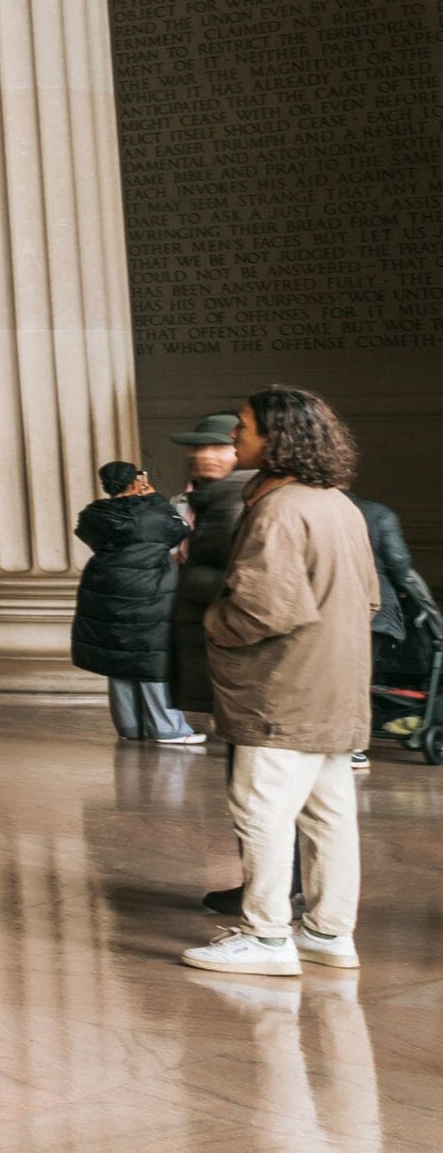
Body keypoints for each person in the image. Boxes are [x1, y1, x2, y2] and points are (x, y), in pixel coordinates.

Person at [182, 388, 377, 978]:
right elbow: (370, 597)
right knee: (328, 816)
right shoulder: (338, 503)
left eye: (244, 427)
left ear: (278, 437)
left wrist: (212, 624)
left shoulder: (278, 508)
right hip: (334, 683)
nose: (235, 437)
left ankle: (266, 937)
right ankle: (328, 932)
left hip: (281, 688)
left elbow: (264, 608)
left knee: (262, 811)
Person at [71, 462, 198, 745]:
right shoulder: (152, 513)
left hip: (107, 584)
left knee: (120, 656)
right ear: (135, 482)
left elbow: (86, 535)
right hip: (150, 588)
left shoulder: (93, 514)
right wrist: (152, 497)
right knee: (153, 655)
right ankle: (167, 727)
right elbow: (179, 530)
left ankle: (130, 726)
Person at [165, 412, 253, 730]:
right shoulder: (210, 497)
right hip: (210, 640)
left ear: (239, 452)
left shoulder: (239, 498)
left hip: (230, 641)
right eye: (198, 448)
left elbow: (243, 577)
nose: (202, 456)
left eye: (216, 448)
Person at [351, 490, 425, 773]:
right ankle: (353, 746)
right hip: (374, 610)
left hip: (329, 609)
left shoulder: (311, 509)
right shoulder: (378, 514)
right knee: (357, 677)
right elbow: (399, 565)